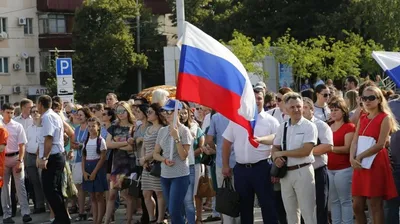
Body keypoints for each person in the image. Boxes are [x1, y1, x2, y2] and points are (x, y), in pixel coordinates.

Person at [222, 88, 280, 224]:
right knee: (244, 209)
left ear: (264, 100)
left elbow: (278, 142)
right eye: (253, 98)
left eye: (259, 98)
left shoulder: (271, 121)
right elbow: (226, 143)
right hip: (241, 170)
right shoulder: (236, 119)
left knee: (268, 206)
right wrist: (225, 165)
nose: (256, 101)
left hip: (262, 168)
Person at [350, 86, 398, 224]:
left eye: (371, 98)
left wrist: (359, 157)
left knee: (375, 205)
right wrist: (351, 158)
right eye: (364, 98)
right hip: (360, 162)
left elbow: (380, 144)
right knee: (357, 206)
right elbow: (355, 140)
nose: (367, 101)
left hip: (376, 162)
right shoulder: (362, 117)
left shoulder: (385, 118)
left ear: (379, 99)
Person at [272, 92, 318, 224]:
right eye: (292, 107)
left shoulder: (309, 126)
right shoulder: (283, 127)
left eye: (299, 106)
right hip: (286, 174)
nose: (296, 109)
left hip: (303, 171)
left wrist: (282, 153)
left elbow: (306, 150)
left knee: (308, 213)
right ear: (286, 110)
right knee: (291, 214)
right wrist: (276, 158)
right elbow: (275, 148)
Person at [153, 99, 193, 224]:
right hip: (165, 175)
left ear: (177, 113)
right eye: (165, 111)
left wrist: (176, 138)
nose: (167, 114)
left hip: (180, 175)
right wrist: (164, 159)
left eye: (170, 111)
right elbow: (155, 154)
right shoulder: (162, 130)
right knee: (174, 211)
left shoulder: (184, 131)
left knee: (174, 210)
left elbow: (183, 156)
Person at [37, 95, 70, 224]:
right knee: (53, 189)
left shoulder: (47, 117)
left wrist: (45, 157)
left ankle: (62, 219)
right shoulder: (53, 115)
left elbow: (49, 138)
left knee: (50, 189)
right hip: (56, 155)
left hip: (53, 157)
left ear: (40, 104)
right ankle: (61, 218)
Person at [303, 97, 333, 224]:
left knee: (321, 206)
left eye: (304, 107)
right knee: (303, 208)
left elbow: (327, 146)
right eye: (300, 107)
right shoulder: (292, 126)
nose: (301, 110)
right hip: (301, 172)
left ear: (312, 109)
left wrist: (303, 151)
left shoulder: (321, 126)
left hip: (318, 170)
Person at [1, 103, 32, 224]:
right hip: (3, 160)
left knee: (20, 186)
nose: (9, 115)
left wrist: (20, 160)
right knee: (5, 188)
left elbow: (22, 145)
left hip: (15, 157)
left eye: (12, 113)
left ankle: (25, 213)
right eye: (7, 112)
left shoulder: (17, 126)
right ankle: (6, 215)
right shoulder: (0, 126)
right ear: (2, 112)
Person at [328, 97, 355, 224]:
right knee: (333, 201)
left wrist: (329, 148)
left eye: (336, 110)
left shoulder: (349, 126)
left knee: (345, 200)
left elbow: (347, 148)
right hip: (329, 168)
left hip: (344, 169)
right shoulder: (328, 126)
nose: (333, 112)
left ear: (343, 111)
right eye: (331, 109)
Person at [82, 117, 108, 224]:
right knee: (92, 195)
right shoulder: (86, 140)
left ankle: (99, 219)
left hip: (97, 168)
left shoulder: (101, 141)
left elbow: (102, 158)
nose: (91, 128)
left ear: (98, 127)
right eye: (89, 126)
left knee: (98, 195)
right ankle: (95, 219)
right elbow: (84, 157)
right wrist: (84, 171)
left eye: (93, 126)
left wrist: (94, 172)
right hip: (88, 166)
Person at [24, 106, 46, 214]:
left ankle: (48, 205)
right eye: (33, 112)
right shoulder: (29, 128)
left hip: (42, 156)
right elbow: (25, 144)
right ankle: (39, 205)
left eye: (37, 111)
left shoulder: (44, 127)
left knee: (43, 181)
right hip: (30, 156)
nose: (35, 113)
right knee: (34, 182)